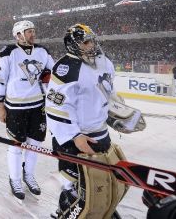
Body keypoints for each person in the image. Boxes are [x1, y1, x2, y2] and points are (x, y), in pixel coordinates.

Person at [46, 24, 127, 218]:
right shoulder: (66, 67)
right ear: (73, 45)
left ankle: (99, 210)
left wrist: (121, 114)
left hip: (100, 134)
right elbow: (56, 105)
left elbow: (108, 92)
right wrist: (74, 135)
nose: (92, 45)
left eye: (92, 40)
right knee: (78, 186)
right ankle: (67, 210)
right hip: (76, 138)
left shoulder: (104, 61)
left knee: (103, 182)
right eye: (86, 42)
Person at [0, 20, 55, 199]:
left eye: (33, 31)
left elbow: (54, 72)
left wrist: (48, 78)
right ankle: (15, 179)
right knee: (16, 145)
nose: (33, 34)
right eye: (28, 31)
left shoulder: (43, 51)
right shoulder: (7, 53)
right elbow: (0, 80)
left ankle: (28, 174)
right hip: (16, 108)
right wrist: (0, 106)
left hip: (37, 106)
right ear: (18, 35)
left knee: (34, 144)